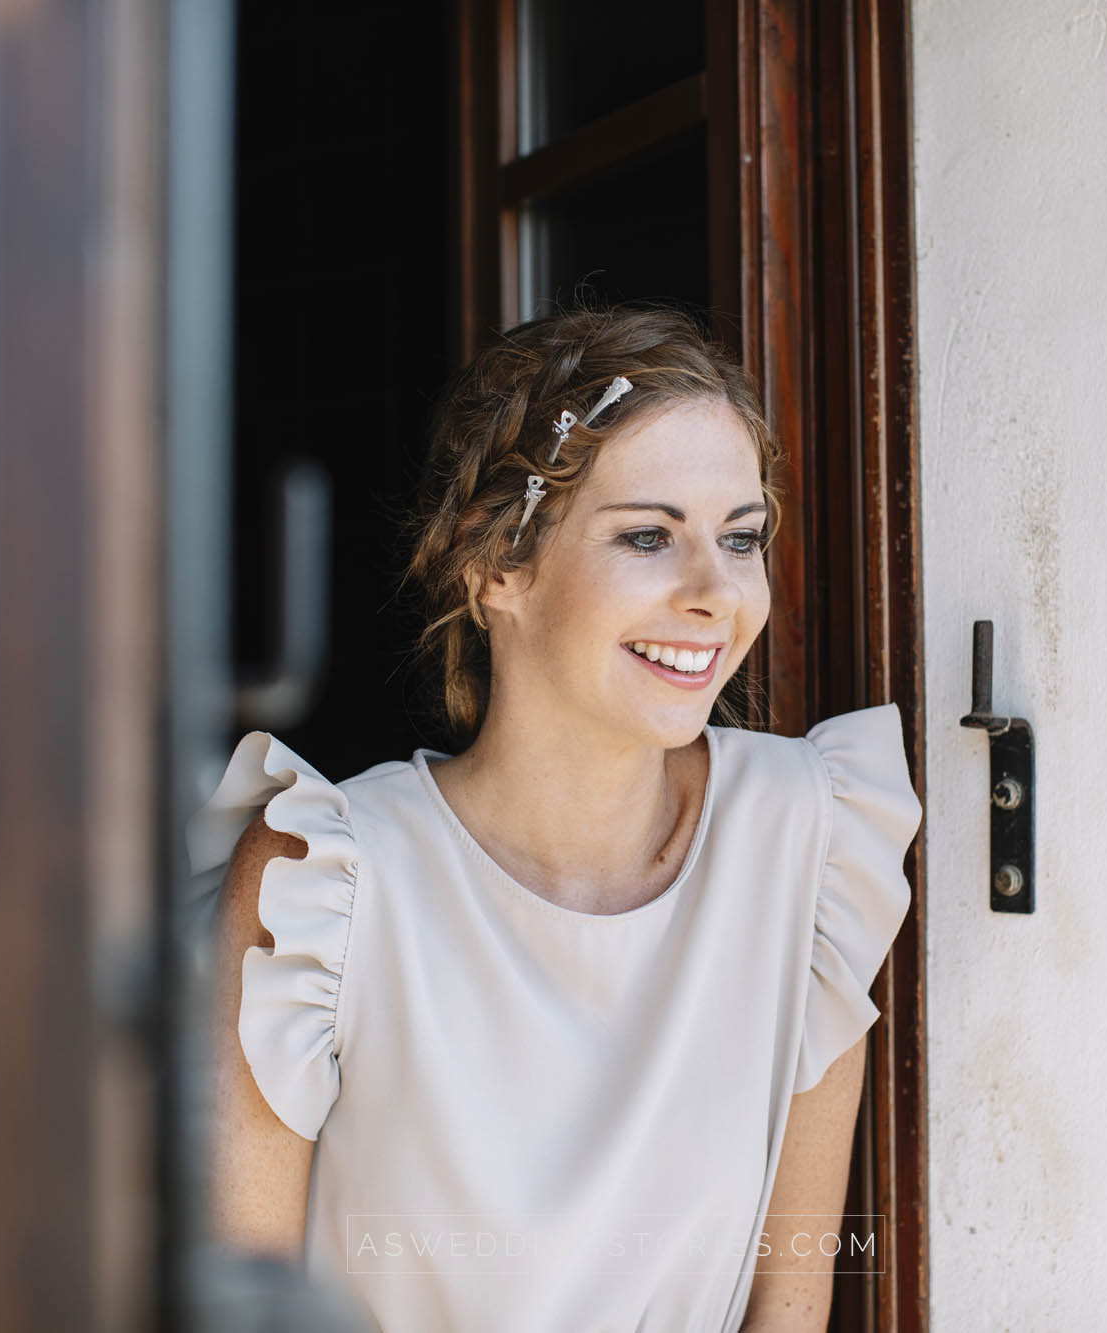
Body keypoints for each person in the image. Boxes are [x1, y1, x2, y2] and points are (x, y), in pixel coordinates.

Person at [188, 303, 923, 1332]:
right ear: (495, 568)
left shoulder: (808, 841)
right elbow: (240, 1310)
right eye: (646, 537)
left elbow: (787, 1312)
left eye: (741, 537)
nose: (716, 592)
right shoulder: (321, 887)